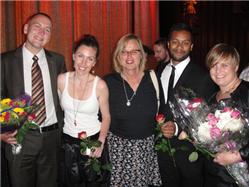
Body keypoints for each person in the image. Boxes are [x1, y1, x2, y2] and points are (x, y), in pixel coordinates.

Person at [1, 12, 66, 187]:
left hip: (52, 137)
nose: (42, 32)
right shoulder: (5, 61)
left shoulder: (58, 61)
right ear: (26, 28)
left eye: (47, 29)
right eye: (37, 26)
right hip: (20, 137)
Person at [157, 23, 217, 187]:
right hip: (162, 152)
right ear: (168, 44)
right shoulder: (160, 70)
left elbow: (205, 119)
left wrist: (177, 128)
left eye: (185, 43)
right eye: (175, 42)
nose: (179, 47)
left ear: (191, 46)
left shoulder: (203, 77)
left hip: (188, 155)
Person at [104, 33, 164, 186]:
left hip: (147, 149)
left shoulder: (153, 78)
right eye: (124, 51)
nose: (129, 56)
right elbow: (99, 116)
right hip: (118, 151)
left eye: (134, 51)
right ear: (118, 56)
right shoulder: (108, 82)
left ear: (142, 55)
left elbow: (163, 110)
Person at [57, 34, 110, 187]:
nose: (83, 63)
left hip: (92, 142)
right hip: (67, 144)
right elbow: (60, 108)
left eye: (90, 58)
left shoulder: (100, 85)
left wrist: (100, 142)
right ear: (73, 56)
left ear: (95, 62)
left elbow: (106, 117)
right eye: (80, 56)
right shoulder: (61, 80)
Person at [204, 43, 249, 187]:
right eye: (214, 65)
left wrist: (239, 155)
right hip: (214, 176)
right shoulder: (211, 99)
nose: (218, 71)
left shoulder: (247, 92)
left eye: (224, 65)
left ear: (236, 67)